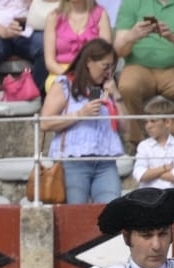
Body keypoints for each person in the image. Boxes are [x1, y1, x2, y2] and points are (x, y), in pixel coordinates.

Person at [39, 39, 124, 205]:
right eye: (105, 66)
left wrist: (117, 96)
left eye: (112, 68)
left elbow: (126, 127)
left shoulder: (107, 89)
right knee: (74, 214)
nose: (108, 72)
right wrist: (80, 113)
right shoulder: (64, 84)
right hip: (73, 162)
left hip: (105, 162)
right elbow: (45, 123)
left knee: (112, 213)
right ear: (88, 62)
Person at [113, 0, 174, 146]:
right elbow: (118, 49)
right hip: (138, 67)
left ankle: (170, 140)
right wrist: (132, 36)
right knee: (127, 87)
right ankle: (138, 141)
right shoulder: (132, 2)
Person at [0, 0, 46, 97]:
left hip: (26, 28)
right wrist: (3, 31)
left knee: (46, 45)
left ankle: (32, 94)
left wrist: (33, 3)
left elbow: (46, 7)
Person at [42, 0, 111, 90]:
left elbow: (107, 55)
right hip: (61, 72)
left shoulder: (101, 14)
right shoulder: (54, 17)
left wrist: (89, 75)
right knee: (62, 88)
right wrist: (71, 76)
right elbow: (50, 62)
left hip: (92, 71)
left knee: (92, 91)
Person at [131, 95, 174, 188]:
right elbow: (140, 174)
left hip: (173, 197)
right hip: (150, 198)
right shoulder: (144, 146)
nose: (148, 126)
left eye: (153, 121)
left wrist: (151, 172)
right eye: (146, 122)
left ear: (167, 122)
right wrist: (165, 168)